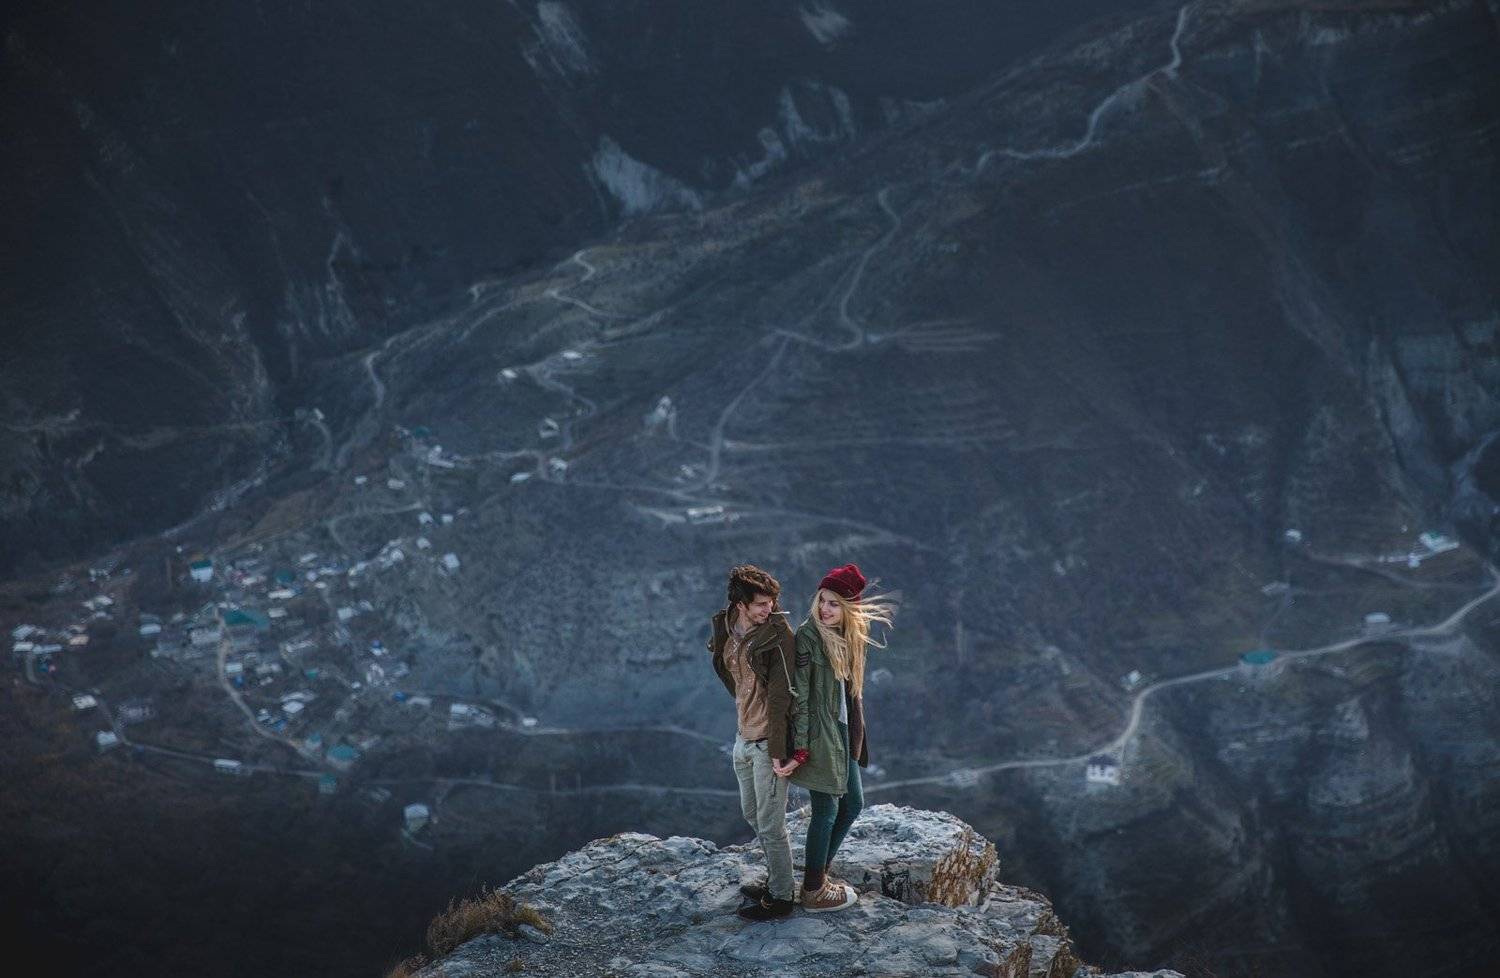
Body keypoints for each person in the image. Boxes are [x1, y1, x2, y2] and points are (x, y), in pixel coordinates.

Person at [775, 562, 895, 913]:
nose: (825, 609)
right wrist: (800, 748)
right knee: (826, 810)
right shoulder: (809, 637)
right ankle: (813, 891)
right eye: (822, 601)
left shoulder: (849, 637)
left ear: (848, 609)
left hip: (843, 734)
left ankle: (818, 875)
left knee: (853, 805)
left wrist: (854, 738)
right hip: (820, 735)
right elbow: (801, 699)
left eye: (834, 604)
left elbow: (851, 697)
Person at [709, 564, 800, 921]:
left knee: (771, 823)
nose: (769, 609)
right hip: (742, 736)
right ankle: (777, 879)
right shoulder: (726, 627)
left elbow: (781, 697)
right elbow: (727, 671)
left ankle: (781, 896)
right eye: (761, 604)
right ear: (740, 605)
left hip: (768, 741)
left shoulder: (778, 635)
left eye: (771, 602)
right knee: (752, 814)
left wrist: (779, 750)